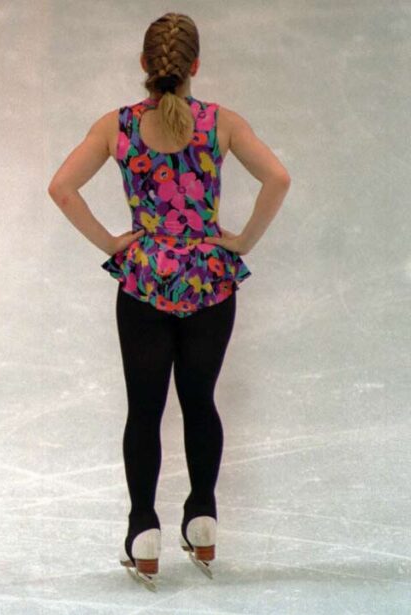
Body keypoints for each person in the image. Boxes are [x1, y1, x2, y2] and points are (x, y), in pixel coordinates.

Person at [47, 13, 289, 588]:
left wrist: (111, 242)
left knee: (145, 409)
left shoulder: (118, 127)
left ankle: (143, 528)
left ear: (144, 66)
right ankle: (202, 515)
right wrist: (242, 242)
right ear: (195, 66)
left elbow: (61, 188)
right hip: (209, 279)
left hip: (144, 281)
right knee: (200, 401)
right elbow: (277, 178)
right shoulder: (220, 123)